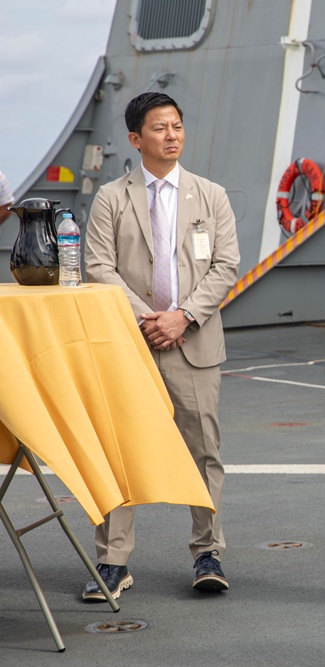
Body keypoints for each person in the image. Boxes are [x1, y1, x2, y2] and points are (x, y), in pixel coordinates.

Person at [83, 92, 240, 599]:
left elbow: (226, 266)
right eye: (159, 128)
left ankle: (208, 553)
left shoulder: (210, 195)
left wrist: (183, 317)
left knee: (202, 453)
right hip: (130, 344)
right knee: (119, 453)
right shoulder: (112, 197)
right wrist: (148, 319)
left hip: (193, 344)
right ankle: (113, 561)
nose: (171, 135)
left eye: (177, 126)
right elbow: (98, 267)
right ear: (135, 138)